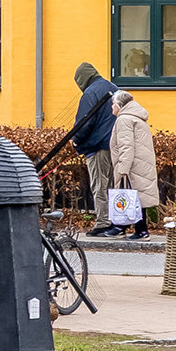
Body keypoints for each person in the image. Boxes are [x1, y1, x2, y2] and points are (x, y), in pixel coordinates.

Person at [67, 62, 117, 227]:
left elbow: (85, 122)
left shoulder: (90, 93)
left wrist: (76, 140)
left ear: (82, 79)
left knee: (100, 185)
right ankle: (115, 221)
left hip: (98, 146)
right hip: (115, 145)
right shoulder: (113, 88)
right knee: (111, 185)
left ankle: (103, 222)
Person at [107, 89, 158, 239]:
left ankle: (140, 231)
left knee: (132, 197)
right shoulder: (136, 117)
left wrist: (123, 169)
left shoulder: (124, 120)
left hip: (132, 166)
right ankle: (123, 227)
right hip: (140, 164)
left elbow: (126, 146)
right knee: (135, 196)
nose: (112, 108)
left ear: (119, 105)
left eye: (113, 104)